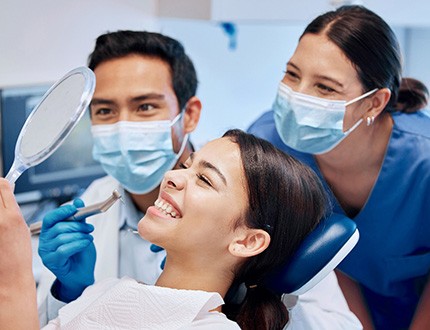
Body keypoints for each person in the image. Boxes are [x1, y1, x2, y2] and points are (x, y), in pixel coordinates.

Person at [0, 130, 361, 329]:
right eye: (187, 165)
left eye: (203, 179)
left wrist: (12, 274)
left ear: (247, 240)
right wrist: (71, 290)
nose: (172, 177)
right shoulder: (111, 291)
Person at [247, 5, 430, 330]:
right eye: (292, 74)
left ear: (374, 102)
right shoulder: (269, 147)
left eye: (325, 87)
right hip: (337, 309)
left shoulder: (422, 161)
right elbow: (329, 259)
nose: (297, 96)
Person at [36, 30, 202, 319]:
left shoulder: (235, 207)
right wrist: (70, 291)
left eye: (145, 107)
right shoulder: (93, 201)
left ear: (189, 115)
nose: (123, 126)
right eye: (105, 110)